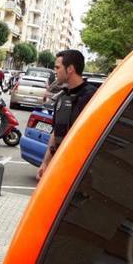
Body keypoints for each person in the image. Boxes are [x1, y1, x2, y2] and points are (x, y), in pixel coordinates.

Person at [37, 50, 97, 180]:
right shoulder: (62, 97)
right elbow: (55, 132)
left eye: (58, 67)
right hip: (59, 165)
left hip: (79, 170)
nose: (55, 71)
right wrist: (45, 162)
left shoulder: (92, 97)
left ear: (70, 69)